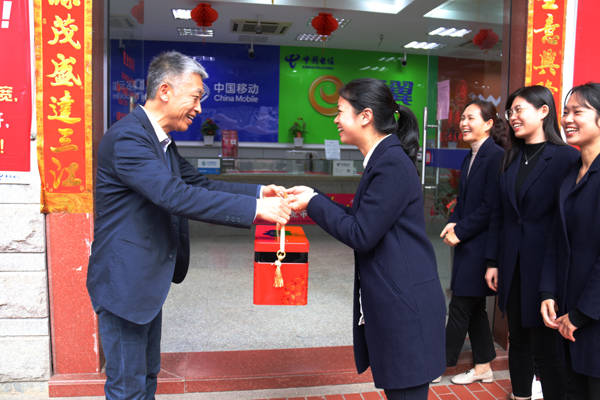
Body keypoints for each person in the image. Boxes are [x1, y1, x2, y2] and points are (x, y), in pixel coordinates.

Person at [86, 51, 291, 400]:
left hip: (143, 282)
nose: (198, 108)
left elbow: (200, 184)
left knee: (146, 375)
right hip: (124, 284)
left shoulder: (160, 141)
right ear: (165, 91)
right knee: (127, 388)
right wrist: (257, 209)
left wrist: (260, 191)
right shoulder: (129, 139)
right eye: (195, 97)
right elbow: (174, 195)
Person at [288, 78, 446, 400]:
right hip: (400, 303)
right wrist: (314, 196)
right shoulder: (383, 159)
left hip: (406, 309)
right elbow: (364, 219)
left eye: (340, 111)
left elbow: (361, 233)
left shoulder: (390, 164)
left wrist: (314, 203)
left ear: (365, 116)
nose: (335, 119)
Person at [484, 85, 579, 400]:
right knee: (518, 339)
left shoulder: (567, 158)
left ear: (543, 111)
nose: (512, 117)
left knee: (546, 346)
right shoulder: (510, 157)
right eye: (510, 111)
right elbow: (499, 214)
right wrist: (493, 261)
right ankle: (521, 396)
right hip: (512, 264)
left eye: (519, 109)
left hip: (546, 268)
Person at [437, 100, 505, 384]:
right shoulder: (470, 156)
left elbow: (491, 207)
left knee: (460, 305)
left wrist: (461, 230)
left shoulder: (497, 156)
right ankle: (483, 366)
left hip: (482, 244)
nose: (463, 123)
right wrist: (453, 221)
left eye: (470, 118)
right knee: (475, 308)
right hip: (469, 242)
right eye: (462, 118)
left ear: (488, 124)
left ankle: (437, 365)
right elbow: (464, 201)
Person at [540, 82, 600, 399]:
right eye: (565, 112)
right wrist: (548, 292)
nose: (567, 119)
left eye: (578, 111)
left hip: (590, 318)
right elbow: (556, 238)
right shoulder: (572, 171)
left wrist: (581, 314)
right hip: (567, 317)